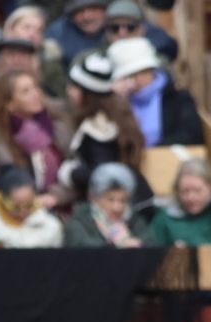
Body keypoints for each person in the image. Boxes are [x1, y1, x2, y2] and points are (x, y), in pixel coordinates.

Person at [62, 50, 156, 213]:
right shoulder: (118, 115)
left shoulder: (99, 128)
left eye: (75, 88)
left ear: (87, 94)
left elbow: (103, 174)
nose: (69, 92)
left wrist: (70, 173)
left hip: (123, 207)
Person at [0, 69, 76, 208]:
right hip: (17, 210)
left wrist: (56, 196)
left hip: (61, 203)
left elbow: (76, 169)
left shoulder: (59, 124)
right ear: (9, 104)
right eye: (26, 91)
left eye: (35, 87)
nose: (36, 94)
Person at [106, 37, 202, 149]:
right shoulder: (114, 100)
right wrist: (114, 100)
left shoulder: (178, 99)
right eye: (128, 76)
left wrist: (153, 151)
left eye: (141, 72)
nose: (134, 80)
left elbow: (190, 135)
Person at [62, 160, 152, 246]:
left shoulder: (134, 221)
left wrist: (137, 245)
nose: (117, 207)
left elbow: (150, 243)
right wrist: (115, 245)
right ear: (95, 199)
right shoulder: (79, 221)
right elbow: (81, 247)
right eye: (110, 200)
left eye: (122, 200)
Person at [0, 165, 65, 246]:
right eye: (16, 207)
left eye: (29, 205)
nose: (23, 212)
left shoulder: (49, 226)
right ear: (3, 200)